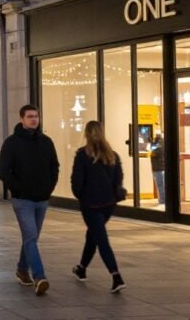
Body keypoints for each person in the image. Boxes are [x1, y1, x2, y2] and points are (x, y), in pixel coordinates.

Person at [0, 104, 59, 297]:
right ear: (22, 119)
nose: (34, 119)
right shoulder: (12, 143)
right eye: (30, 116)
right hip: (22, 200)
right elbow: (2, 170)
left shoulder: (46, 142)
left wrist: (49, 188)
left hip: (42, 199)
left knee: (31, 237)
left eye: (36, 116)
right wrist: (17, 188)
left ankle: (22, 269)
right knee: (31, 236)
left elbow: (54, 167)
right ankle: (39, 277)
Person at [71, 120, 127, 294]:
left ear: (87, 134)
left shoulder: (82, 154)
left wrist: (80, 195)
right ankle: (81, 268)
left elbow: (77, 181)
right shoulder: (113, 155)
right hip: (108, 204)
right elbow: (118, 179)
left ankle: (116, 275)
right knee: (93, 235)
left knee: (101, 239)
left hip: (91, 204)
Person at [149, 135, 165, 206]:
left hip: (158, 169)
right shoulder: (163, 148)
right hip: (162, 168)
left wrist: (151, 145)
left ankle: (162, 200)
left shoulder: (158, 150)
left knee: (160, 185)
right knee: (162, 184)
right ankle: (163, 199)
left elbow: (152, 154)